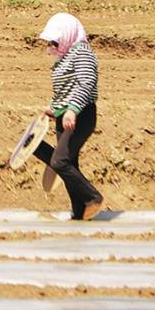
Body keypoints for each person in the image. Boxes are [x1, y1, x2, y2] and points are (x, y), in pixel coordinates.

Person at [35, 12, 104, 221]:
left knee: (60, 161)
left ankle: (93, 198)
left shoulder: (82, 52)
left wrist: (73, 109)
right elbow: (65, 90)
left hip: (81, 116)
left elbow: (86, 83)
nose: (52, 45)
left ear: (67, 35)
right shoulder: (64, 56)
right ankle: (79, 212)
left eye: (55, 40)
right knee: (49, 153)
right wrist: (54, 109)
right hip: (64, 116)